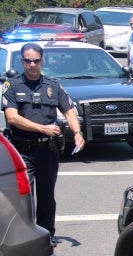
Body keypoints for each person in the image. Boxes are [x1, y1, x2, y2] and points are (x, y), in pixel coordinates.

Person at [1, 43, 84, 245]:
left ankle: (47, 233)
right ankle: (26, 235)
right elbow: (12, 118)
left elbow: (69, 111)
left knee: (46, 194)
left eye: (35, 60)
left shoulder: (52, 86)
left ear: (41, 61)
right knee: (24, 196)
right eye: (27, 61)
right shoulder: (12, 86)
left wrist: (77, 132)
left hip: (47, 150)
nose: (31, 64)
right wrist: (42, 128)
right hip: (22, 150)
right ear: (22, 62)